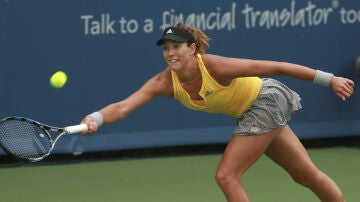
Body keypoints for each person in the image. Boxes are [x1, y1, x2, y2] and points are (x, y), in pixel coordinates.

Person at [81, 23, 354, 202]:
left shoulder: (216, 67)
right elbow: (123, 106)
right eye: (166, 48)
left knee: (226, 175)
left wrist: (329, 79)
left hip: (266, 100)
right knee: (304, 174)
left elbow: (277, 66)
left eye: (176, 46)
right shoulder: (164, 82)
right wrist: (95, 118)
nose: (170, 53)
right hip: (250, 112)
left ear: (193, 48)